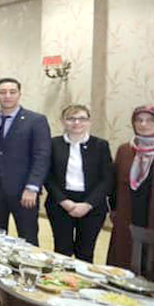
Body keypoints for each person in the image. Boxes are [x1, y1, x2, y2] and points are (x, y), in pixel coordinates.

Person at [0, 78, 52, 246]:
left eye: (12, 92)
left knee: (28, 238)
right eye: (2, 92)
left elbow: (42, 156)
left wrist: (32, 187)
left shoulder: (36, 120)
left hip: (24, 192)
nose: (7, 96)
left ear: (19, 94)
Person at [44, 104, 113, 262]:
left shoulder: (100, 145)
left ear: (89, 122)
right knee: (62, 250)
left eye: (82, 119)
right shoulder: (53, 144)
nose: (76, 123)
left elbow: (107, 179)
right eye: (71, 118)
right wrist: (64, 201)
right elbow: (48, 176)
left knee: (85, 252)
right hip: (60, 204)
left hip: (92, 205)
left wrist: (88, 204)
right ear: (63, 121)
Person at [108, 105, 154, 273]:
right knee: (125, 262)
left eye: (150, 120)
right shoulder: (125, 150)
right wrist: (114, 211)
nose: (143, 124)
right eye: (139, 120)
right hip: (127, 216)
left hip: (152, 217)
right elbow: (114, 186)